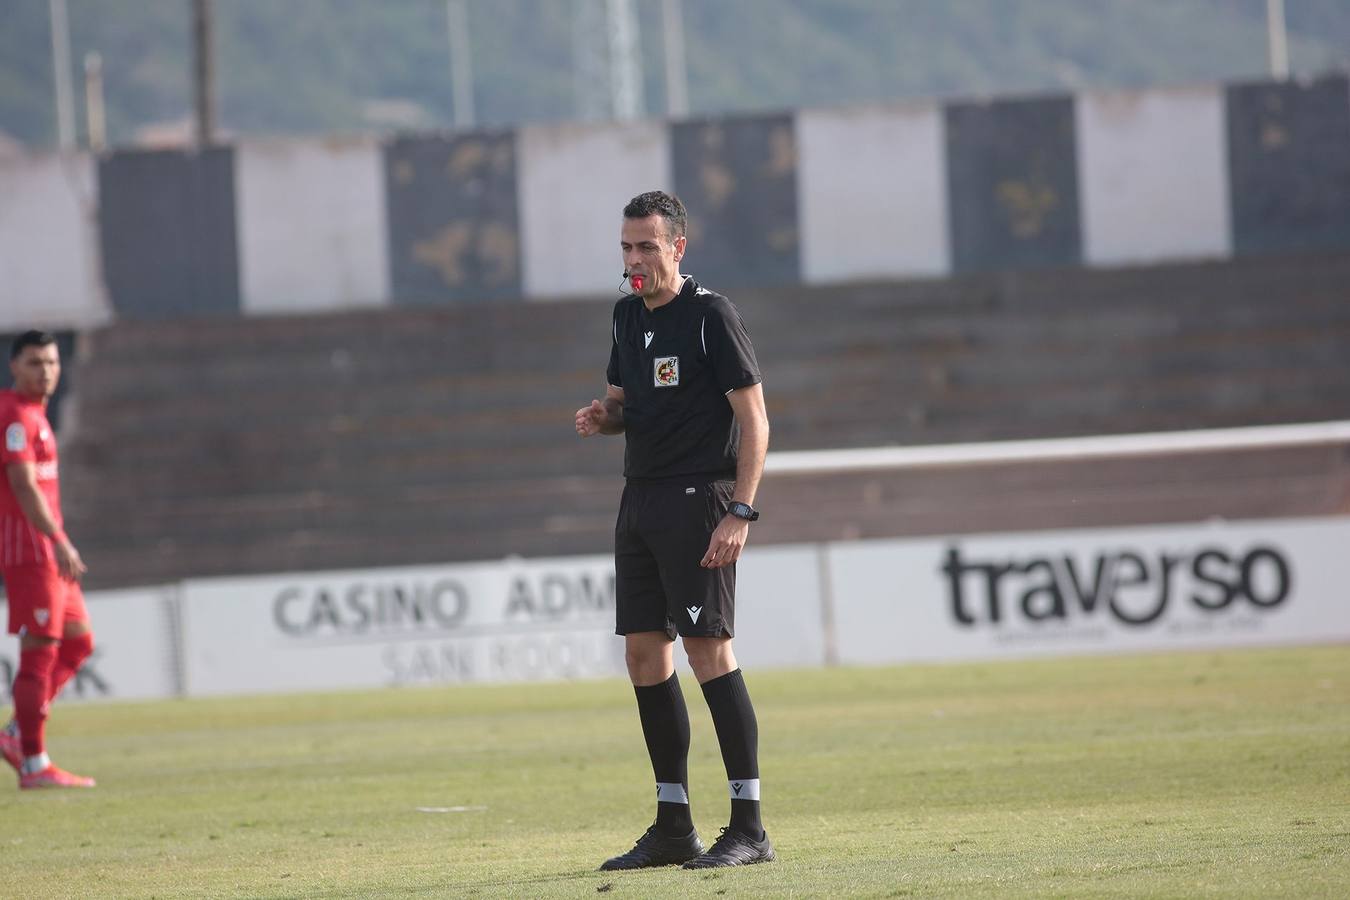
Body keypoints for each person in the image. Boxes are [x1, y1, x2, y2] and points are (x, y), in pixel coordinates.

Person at [575, 190, 774, 870]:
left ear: (677, 248)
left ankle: (748, 826)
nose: (634, 260)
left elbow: (755, 421)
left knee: (708, 651)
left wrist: (739, 511)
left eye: (647, 247)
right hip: (640, 500)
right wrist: (604, 419)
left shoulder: (710, 315)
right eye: (627, 247)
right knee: (642, 654)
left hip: (699, 500)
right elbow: (629, 407)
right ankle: (673, 825)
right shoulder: (626, 316)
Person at [0, 330, 96, 789]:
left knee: (78, 642)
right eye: (36, 362)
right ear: (14, 366)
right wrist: (58, 539)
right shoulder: (14, 416)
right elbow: (22, 485)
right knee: (38, 654)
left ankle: (18, 732)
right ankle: (35, 763)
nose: (46, 371)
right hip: (32, 549)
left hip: (50, 549)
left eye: (53, 363)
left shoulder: (36, 413)